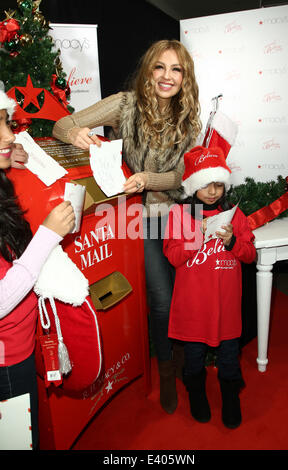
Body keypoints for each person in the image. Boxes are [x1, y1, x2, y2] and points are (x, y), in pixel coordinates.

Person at [52, 39, 202, 414]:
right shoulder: (124, 104)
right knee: (161, 298)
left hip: (180, 213)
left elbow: (182, 177)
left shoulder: (189, 118)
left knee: (187, 294)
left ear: (185, 78)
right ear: (149, 70)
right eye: (160, 67)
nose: (167, 77)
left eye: (176, 70)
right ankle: (166, 370)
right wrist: (74, 134)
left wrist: (148, 178)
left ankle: (186, 360)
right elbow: (61, 123)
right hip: (140, 219)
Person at [0, 90, 75, 449]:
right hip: (6, 360)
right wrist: (48, 235)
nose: (9, 134)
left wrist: (7, 161)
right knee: (18, 442)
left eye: (5, 121)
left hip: (19, 344)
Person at [163, 145, 256, 428]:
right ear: (193, 186)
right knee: (194, 358)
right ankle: (197, 394)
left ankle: (230, 397)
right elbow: (173, 256)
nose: (213, 191)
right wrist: (197, 237)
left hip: (226, 306)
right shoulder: (179, 215)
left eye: (218, 184)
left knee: (229, 357)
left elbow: (250, 255)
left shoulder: (234, 215)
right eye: (206, 185)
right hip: (193, 307)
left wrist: (232, 242)